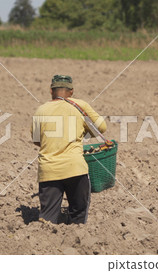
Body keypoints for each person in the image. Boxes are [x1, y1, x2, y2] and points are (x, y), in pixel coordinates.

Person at [31, 75, 107, 224]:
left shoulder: (41, 110)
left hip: (49, 170)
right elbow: (102, 127)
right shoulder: (79, 106)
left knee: (47, 220)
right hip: (75, 169)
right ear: (71, 91)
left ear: (51, 91)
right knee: (78, 218)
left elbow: (36, 140)